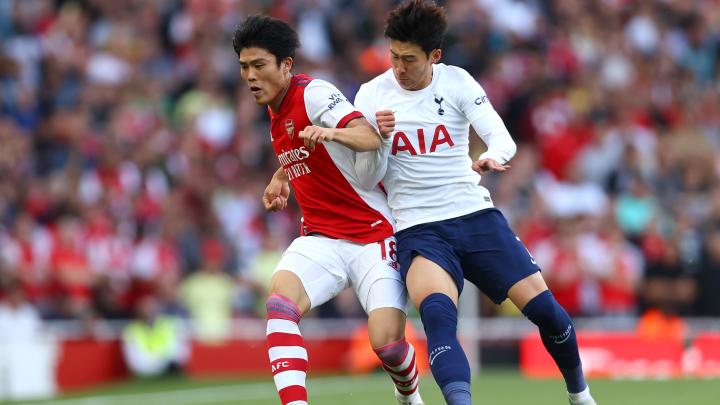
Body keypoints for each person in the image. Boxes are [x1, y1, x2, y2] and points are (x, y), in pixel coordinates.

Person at [352, 1, 599, 404]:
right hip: (418, 228)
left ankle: (580, 395)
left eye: (409, 59)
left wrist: (492, 157)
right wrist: (378, 140)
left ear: (434, 55)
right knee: (439, 321)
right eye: (393, 56)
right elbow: (364, 178)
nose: (398, 67)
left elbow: (502, 139)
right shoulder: (371, 95)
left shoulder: (457, 82)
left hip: (474, 215)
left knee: (547, 313)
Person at [233, 15, 423, 405]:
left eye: (259, 65)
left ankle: (409, 397)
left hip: (373, 236)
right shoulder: (273, 107)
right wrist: (281, 175)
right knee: (280, 303)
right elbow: (310, 149)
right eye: (244, 66)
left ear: (286, 65)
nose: (250, 76)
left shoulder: (314, 93)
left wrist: (331, 131)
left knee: (388, 346)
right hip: (321, 238)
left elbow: (368, 137)